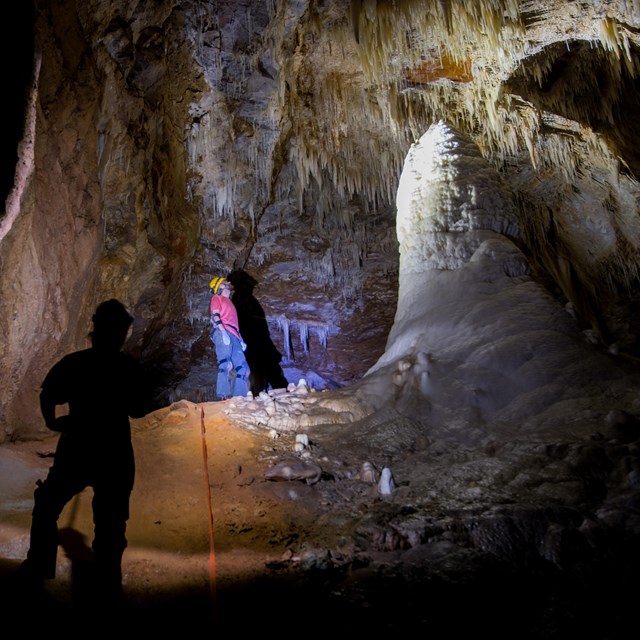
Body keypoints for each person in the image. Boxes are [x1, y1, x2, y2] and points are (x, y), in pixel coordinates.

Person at [19, 299, 150, 602]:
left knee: (47, 505)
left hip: (77, 447)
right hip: (114, 452)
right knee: (111, 522)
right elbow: (139, 409)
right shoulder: (127, 368)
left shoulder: (75, 363)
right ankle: (106, 584)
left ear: (95, 329)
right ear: (121, 333)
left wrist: (53, 423)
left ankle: (39, 566)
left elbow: (47, 395)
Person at [226, 269, 288, 396]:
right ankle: (282, 390)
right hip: (260, 337)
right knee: (269, 366)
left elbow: (236, 319)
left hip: (250, 337)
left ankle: (256, 394)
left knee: (256, 367)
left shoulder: (238, 298)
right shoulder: (250, 299)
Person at [209, 276, 250, 399]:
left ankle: (239, 397)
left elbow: (234, 324)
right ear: (219, 287)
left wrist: (240, 339)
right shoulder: (217, 298)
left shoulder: (230, 303)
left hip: (234, 336)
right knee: (225, 364)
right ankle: (223, 394)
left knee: (244, 369)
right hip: (222, 332)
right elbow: (215, 316)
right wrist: (222, 331)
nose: (228, 284)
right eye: (224, 283)